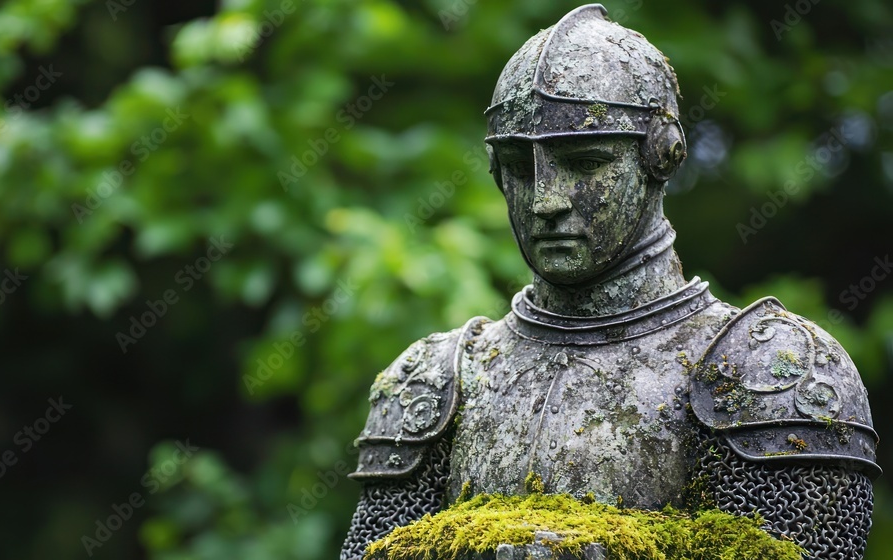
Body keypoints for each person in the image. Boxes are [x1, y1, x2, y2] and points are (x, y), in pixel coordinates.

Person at [340, 5, 879, 559]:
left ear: (660, 155)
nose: (545, 201)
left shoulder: (767, 373)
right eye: (521, 169)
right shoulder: (438, 377)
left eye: (584, 162)